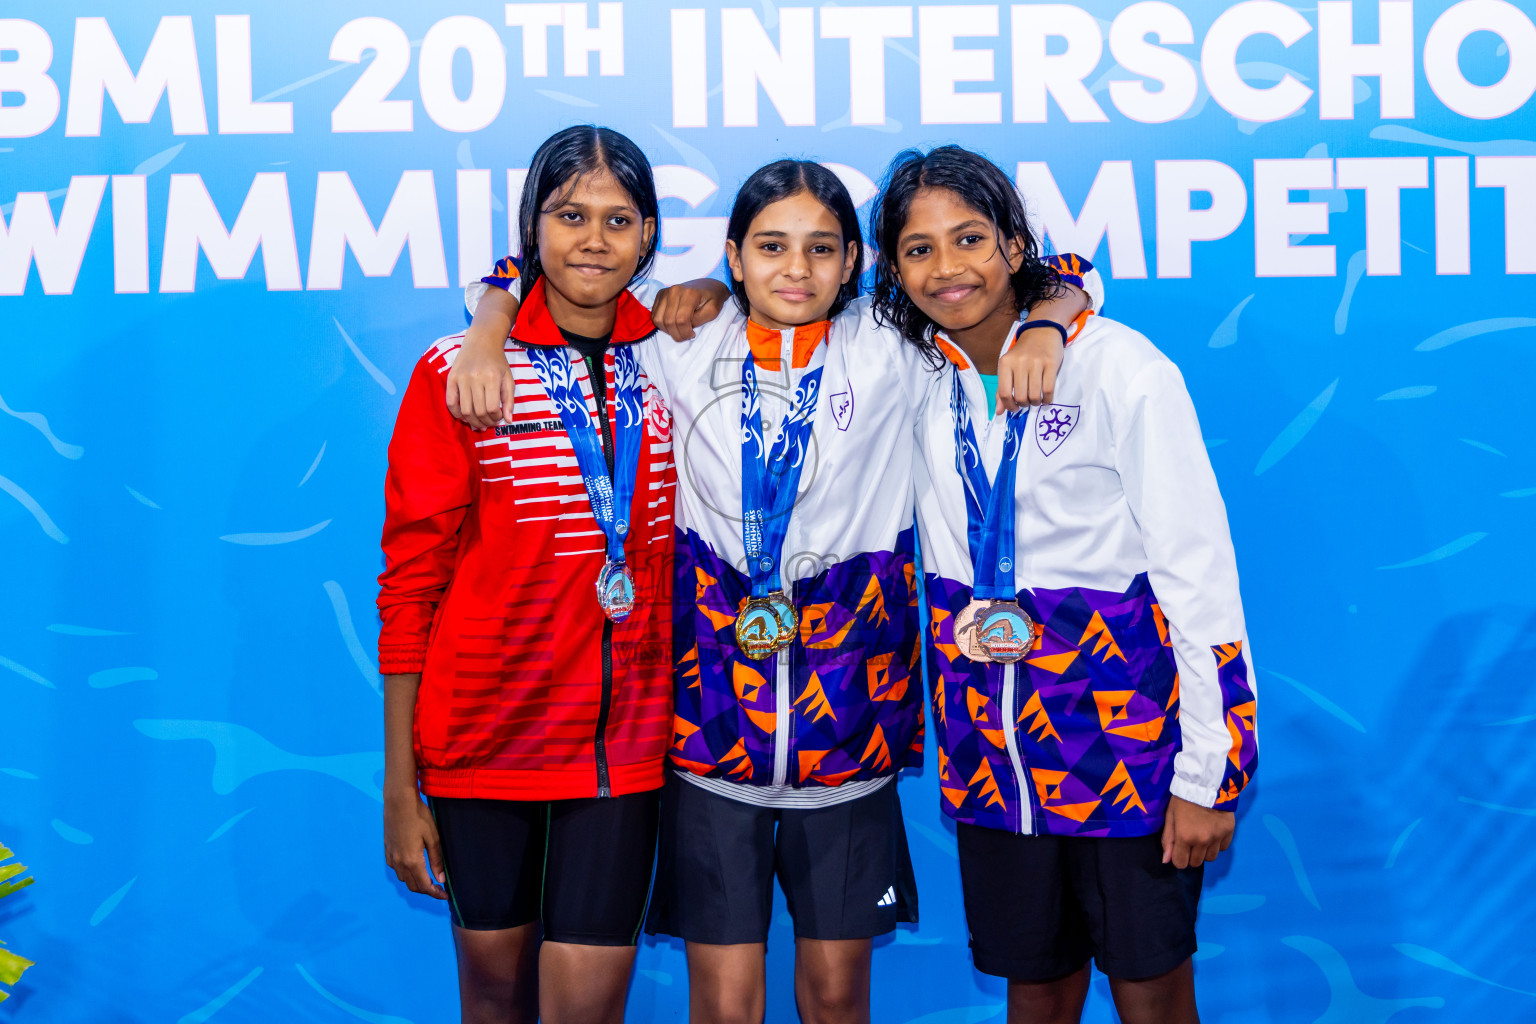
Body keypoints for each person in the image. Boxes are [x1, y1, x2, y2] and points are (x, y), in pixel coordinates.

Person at [448, 154, 1092, 1024]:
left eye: (822, 249)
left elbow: (1071, 270)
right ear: (733, 255)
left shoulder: (897, 350)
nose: (797, 269)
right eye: (772, 247)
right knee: (724, 1003)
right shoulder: (676, 347)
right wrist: (490, 321)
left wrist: (1049, 323)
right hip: (713, 745)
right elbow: (543, 275)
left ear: (856, 264)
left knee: (835, 998)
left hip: (849, 740)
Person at [873, 146, 1257, 1024]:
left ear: (1015, 245)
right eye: (919, 249)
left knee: (1152, 993)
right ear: (894, 267)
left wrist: (1211, 770)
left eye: (970, 238)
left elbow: (1198, 573)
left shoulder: (1123, 370)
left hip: (1129, 759)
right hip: (992, 765)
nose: (948, 267)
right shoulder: (906, 374)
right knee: (1034, 990)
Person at [375, 125, 723, 1024]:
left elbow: (766, 299)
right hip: (483, 739)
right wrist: (398, 786)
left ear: (648, 236)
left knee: (586, 1007)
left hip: (624, 749)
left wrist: (713, 289)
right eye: (571, 216)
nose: (594, 240)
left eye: (618, 219)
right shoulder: (459, 373)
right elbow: (410, 582)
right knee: (494, 997)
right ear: (533, 229)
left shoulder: (675, 358)